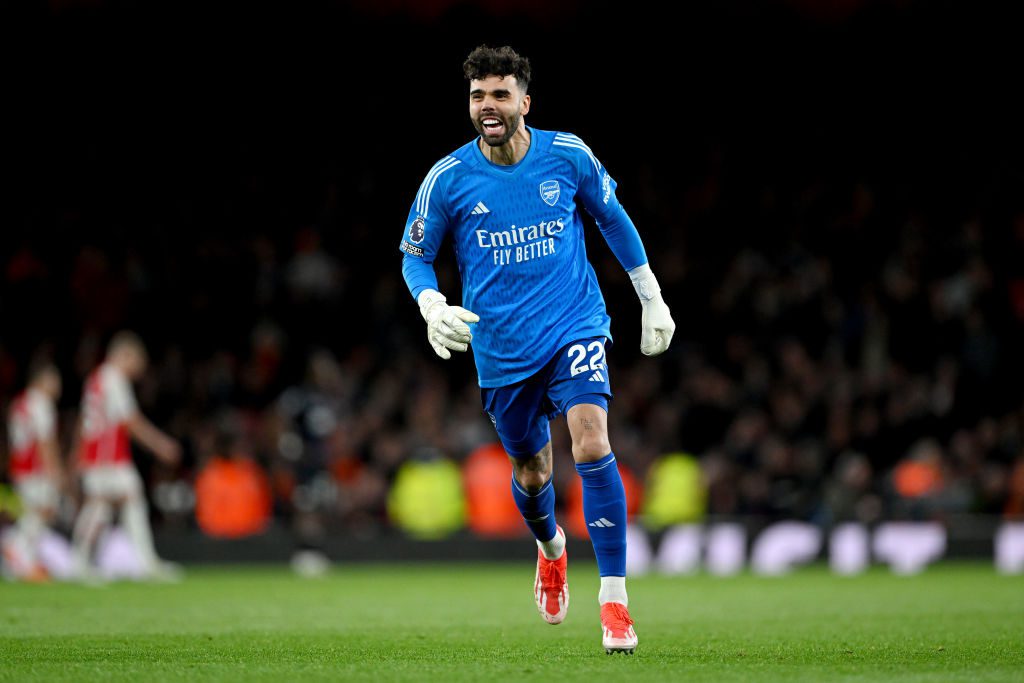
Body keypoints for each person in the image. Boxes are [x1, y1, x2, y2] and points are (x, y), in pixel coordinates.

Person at [399, 45, 675, 654]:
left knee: (592, 439)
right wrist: (432, 305)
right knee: (532, 470)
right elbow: (415, 254)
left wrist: (649, 294)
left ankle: (615, 601)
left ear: (526, 101)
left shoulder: (567, 155)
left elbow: (611, 216)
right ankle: (551, 548)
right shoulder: (448, 178)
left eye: (499, 94)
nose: (487, 106)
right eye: (477, 96)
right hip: (501, 348)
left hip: (575, 323)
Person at [71, 331, 182, 581]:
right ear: (125, 355)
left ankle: (85, 561)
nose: (137, 370)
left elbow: (84, 422)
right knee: (104, 504)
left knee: (110, 503)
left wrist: (78, 455)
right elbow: (130, 421)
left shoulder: (96, 378)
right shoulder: (113, 378)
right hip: (107, 458)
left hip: (97, 456)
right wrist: (161, 445)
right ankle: (142, 563)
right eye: (136, 363)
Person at [5, 361, 64, 580]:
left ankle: (25, 563)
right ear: (43, 380)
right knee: (42, 512)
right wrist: (55, 472)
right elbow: (44, 441)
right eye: (55, 380)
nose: (58, 386)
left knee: (34, 513)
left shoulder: (20, 402)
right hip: (36, 470)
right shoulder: (41, 402)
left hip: (20, 469)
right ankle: (15, 546)